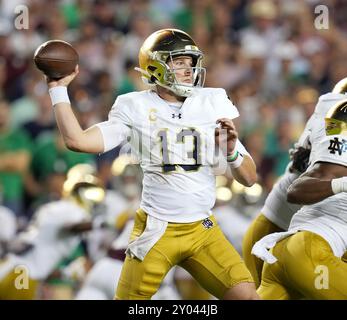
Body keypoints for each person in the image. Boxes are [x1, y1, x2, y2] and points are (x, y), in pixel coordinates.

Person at [45, 28, 258, 300]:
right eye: (178, 62)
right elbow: (78, 141)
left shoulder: (211, 103)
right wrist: (59, 91)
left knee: (248, 297)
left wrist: (230, 152)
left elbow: (249, 178)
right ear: (155, 67)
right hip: (158, 228)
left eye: (190, 63)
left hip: (203, 228)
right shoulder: (135, 106)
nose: (188, 70)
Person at [242, 79, 347, 287]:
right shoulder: (339, 120)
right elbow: (318, 181)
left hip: (304, 235)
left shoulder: (333, 112)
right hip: (282, 231)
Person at [0, 167, 105, 299]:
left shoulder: (54, 207)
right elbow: (72, 226)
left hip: (14, 270)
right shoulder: (71, 211)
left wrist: (64, 273)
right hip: (23, 276)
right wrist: (99, 224)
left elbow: (40, 256)